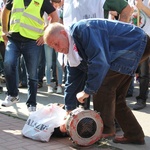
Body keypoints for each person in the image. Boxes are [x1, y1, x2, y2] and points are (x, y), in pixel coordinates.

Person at [44, 18, 150, 144]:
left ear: (63, 33)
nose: (57, 49)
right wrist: (69, 109)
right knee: (116, 98)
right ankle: (134, 134)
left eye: (56, 44)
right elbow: (71, 82)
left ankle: (105, 129)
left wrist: (87, 90)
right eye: (53, 47)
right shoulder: (72, 53)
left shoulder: (82, 30)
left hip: (135, 42)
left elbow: (100, 62)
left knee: (101, 87)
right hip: (132, 45)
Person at [1, 0, 59, 112]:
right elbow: (5, 11)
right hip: (14, 39)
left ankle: (31, 103)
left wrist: (45, 35)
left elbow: (54, 16)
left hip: (33, 42)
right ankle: (13, 95)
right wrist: (4, 30)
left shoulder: (42, 1)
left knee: (32, 74)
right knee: (8, 63)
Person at [128, 0, 150, 110]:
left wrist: (142, 6)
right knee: (128, 69)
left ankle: (141, 99)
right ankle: (125, 93)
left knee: (143, 72)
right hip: (132, 38)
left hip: (146, 38)